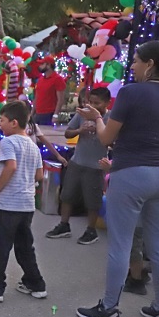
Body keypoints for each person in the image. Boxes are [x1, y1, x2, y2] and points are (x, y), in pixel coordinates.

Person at [76, 40, 159, 317]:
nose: (132, 66)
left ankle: (109, 308)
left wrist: (97, 118)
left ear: (150, 64)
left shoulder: (131, 93)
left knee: (121, 243)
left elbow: (107, 138)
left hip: (131, 172)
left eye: (137, 61)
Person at [0, 101, 46, 303]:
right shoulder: (33, 145)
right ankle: (36, 284)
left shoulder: (8, 142)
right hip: (27, 204)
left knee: (0, 247)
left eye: (3, 120)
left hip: (9, 204)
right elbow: (39, 175)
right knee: (24, 246)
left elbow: (10, 167)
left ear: (14, 122)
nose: (0, 124)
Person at [46, 87, 111, 244]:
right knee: (67, 195)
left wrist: (98, 125)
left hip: (96, 166)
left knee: (93, 200)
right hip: (77, 161)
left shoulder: (110, 118)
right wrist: (80, 130)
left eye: (97, 103)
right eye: (91, 102)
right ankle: (64, 224)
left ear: (107, 103)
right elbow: (68, 133)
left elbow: (110, 140)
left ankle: (91, 230)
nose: (93, 106)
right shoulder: (82, 114)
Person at [33, 56, 66, 125]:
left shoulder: (57, 79)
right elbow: (37, 96)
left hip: (49, 114)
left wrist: (55, 115)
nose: (40, 66)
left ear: (48, 65)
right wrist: (32, 112)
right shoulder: (41, 79)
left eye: (42, 64)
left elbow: (61, 99)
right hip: (38, 114)